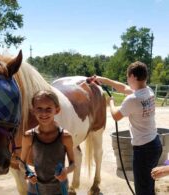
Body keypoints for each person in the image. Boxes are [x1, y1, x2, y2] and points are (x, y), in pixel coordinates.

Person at [88, 61, 162, 195]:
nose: (127, 80)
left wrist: (110, 103)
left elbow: (116, 115)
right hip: (155, 144)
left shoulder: (133, 99)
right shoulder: (148, 91)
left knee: (141, 187)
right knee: (148, 182)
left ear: (133, 76)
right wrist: (104, 80)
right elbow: (123, 88)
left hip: (143, 150)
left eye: (128, 77)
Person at [20, 90, 75, 195]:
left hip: (59, 190)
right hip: (35, 190)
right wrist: (28, 172)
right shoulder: (29, 136)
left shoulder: (65, 136)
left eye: (48, 109)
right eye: (39, 109)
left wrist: (66, 171)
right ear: (33, 110)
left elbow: (73, 164)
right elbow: (22, 163)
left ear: (57, 110)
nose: (43, 113)